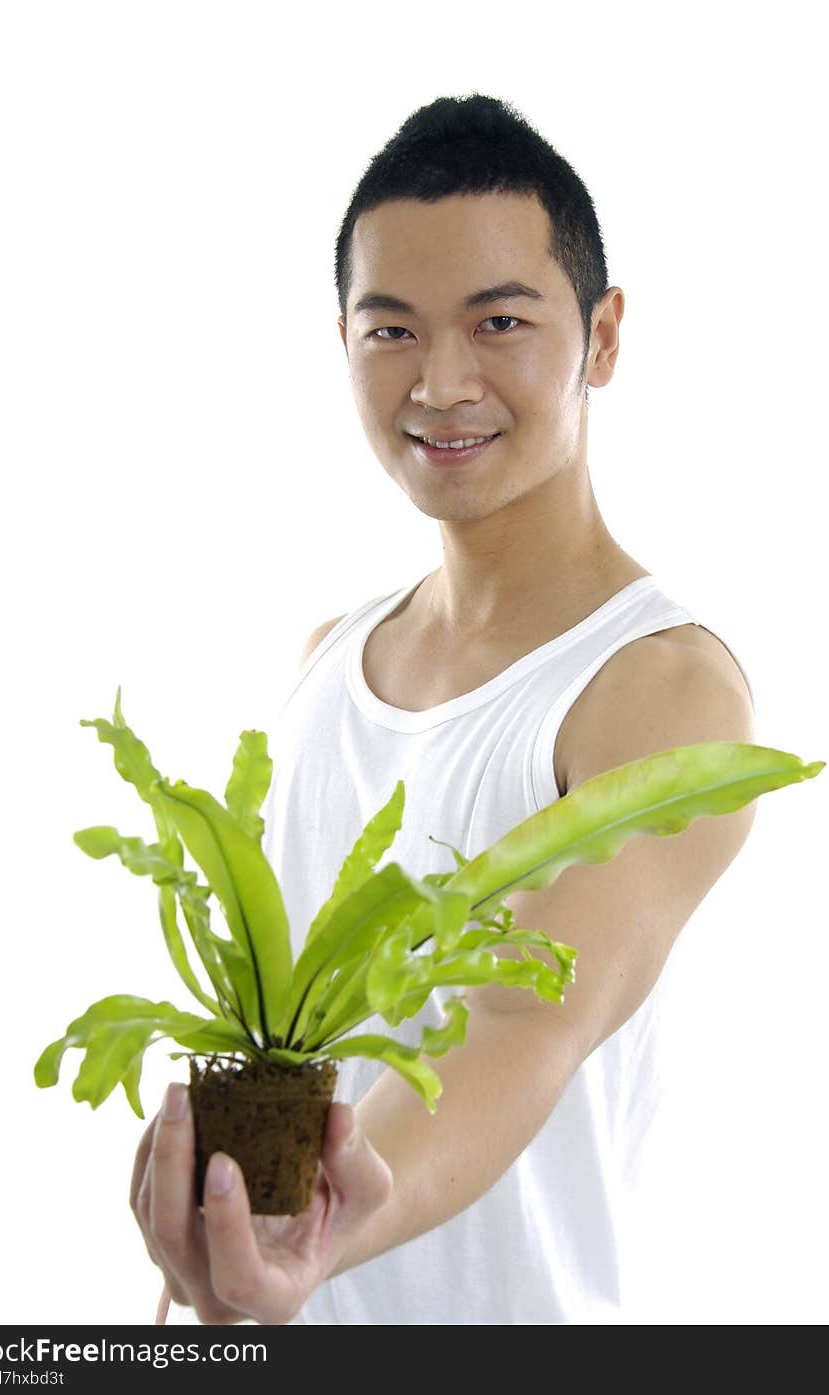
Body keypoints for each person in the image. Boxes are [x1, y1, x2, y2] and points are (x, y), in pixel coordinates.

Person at [132, 93, 757, 1326]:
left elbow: (527, 1012)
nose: (442, 382)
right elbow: (276, 1060)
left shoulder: (661, 689)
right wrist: (201, 1301)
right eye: (392, 331)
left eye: (500, 321)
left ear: (604, 335)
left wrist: (335, 1223)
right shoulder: (326, 660)